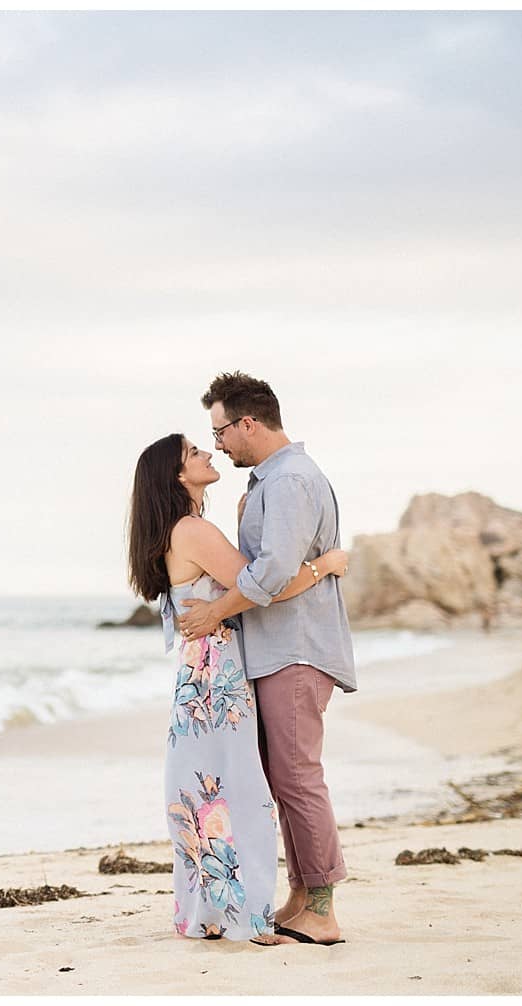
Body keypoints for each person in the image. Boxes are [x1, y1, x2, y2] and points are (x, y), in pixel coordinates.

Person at [127, 432, 347, 942]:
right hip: (216, 681)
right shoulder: (193, 530)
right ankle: (244, 917)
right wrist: (323, 566)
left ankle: (212, 913)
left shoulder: (186, 529)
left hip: (203, 677)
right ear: (178, 475)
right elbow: (261, 586)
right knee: (236, 790)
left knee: (213, 789)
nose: (206, 451)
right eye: (193, 452)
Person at [177, 371, 357, 948]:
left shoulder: (288, 481)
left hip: (295, 648)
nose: (219, 442)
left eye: (221, 430)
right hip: (276, 649)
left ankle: (323, 908)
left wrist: (214, 612)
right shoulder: (269, 481)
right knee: (283, 776)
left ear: (248, 423)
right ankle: (303, 899)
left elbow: (272, 572)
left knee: (298, 776)